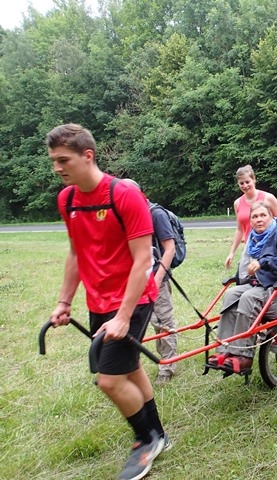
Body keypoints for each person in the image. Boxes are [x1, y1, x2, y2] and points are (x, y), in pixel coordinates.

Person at [47, 124, 168, 480]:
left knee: (109, 380)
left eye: (63, 160)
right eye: (53, 161)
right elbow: (75, 253)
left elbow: (143, 260)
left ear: (88, 156)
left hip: (133, 299)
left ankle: (145, 439)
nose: (57, 167)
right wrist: (64, 301)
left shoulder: (124, 195)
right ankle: (158, 434)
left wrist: (123, 316)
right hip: (99, 299)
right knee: (129, 370)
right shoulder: (67, 200)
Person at [209, 202, 277, 372]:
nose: (259, 220)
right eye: (255, 216)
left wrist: (264, 263)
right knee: (231, 295)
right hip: (256, 283)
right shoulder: (252, 238)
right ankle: (224, 350)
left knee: (248, 298)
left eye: (263, 215)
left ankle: (243, 355)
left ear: (271, 217)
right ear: (250, 221)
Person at [123, 179, 178, 385]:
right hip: (136, 279)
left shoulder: (156, 214)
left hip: (157, 279)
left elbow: (169, 248)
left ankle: (167, 366)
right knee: (139, 322)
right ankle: (127, 365)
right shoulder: (128, 215)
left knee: (163, 321)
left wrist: (156, 279)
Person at [225, 165, 277, 279]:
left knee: (265, 282)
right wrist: (231, 253)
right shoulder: (238, 203)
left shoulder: (268, 198)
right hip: (251, 248)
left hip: (269, 247)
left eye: (247, 181)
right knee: (246, 279)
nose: (245, 186)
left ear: (254, 179)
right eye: (241, 183)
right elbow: (240, 230)